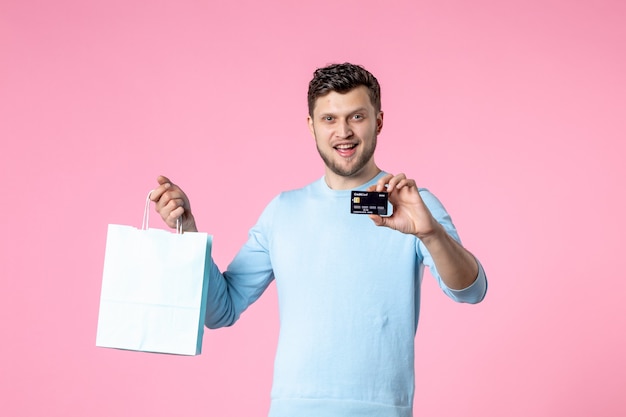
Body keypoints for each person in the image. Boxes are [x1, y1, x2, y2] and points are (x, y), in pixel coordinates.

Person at [150, 63, 487, 417]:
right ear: (311, 126)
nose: (343, 132)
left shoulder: (412, 204)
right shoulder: (283, 211)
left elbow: (472, 290)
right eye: (329, 119)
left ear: (379, 121)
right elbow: (221, 311)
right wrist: (187, 230)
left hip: (382, 409)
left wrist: (431, 233)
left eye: (357, 116)